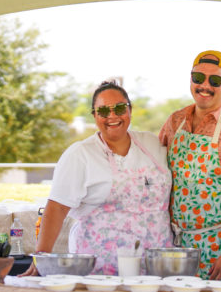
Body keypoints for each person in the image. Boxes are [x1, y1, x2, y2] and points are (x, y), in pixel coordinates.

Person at [27, 81, 174, 275]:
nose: (112, 116)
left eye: (120, 108)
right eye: (103, 111)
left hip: (157, 270)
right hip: (100, 272)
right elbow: (57, 208)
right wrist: (41, 258)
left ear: (130, 110)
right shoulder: (80, 154)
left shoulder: (152, 144)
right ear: (95, 116)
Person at [159, 50, 221, 280]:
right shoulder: (175, 121)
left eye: (215, 80)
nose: (205, 85)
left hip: (218, 253)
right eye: (198, 78)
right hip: (174, 248)